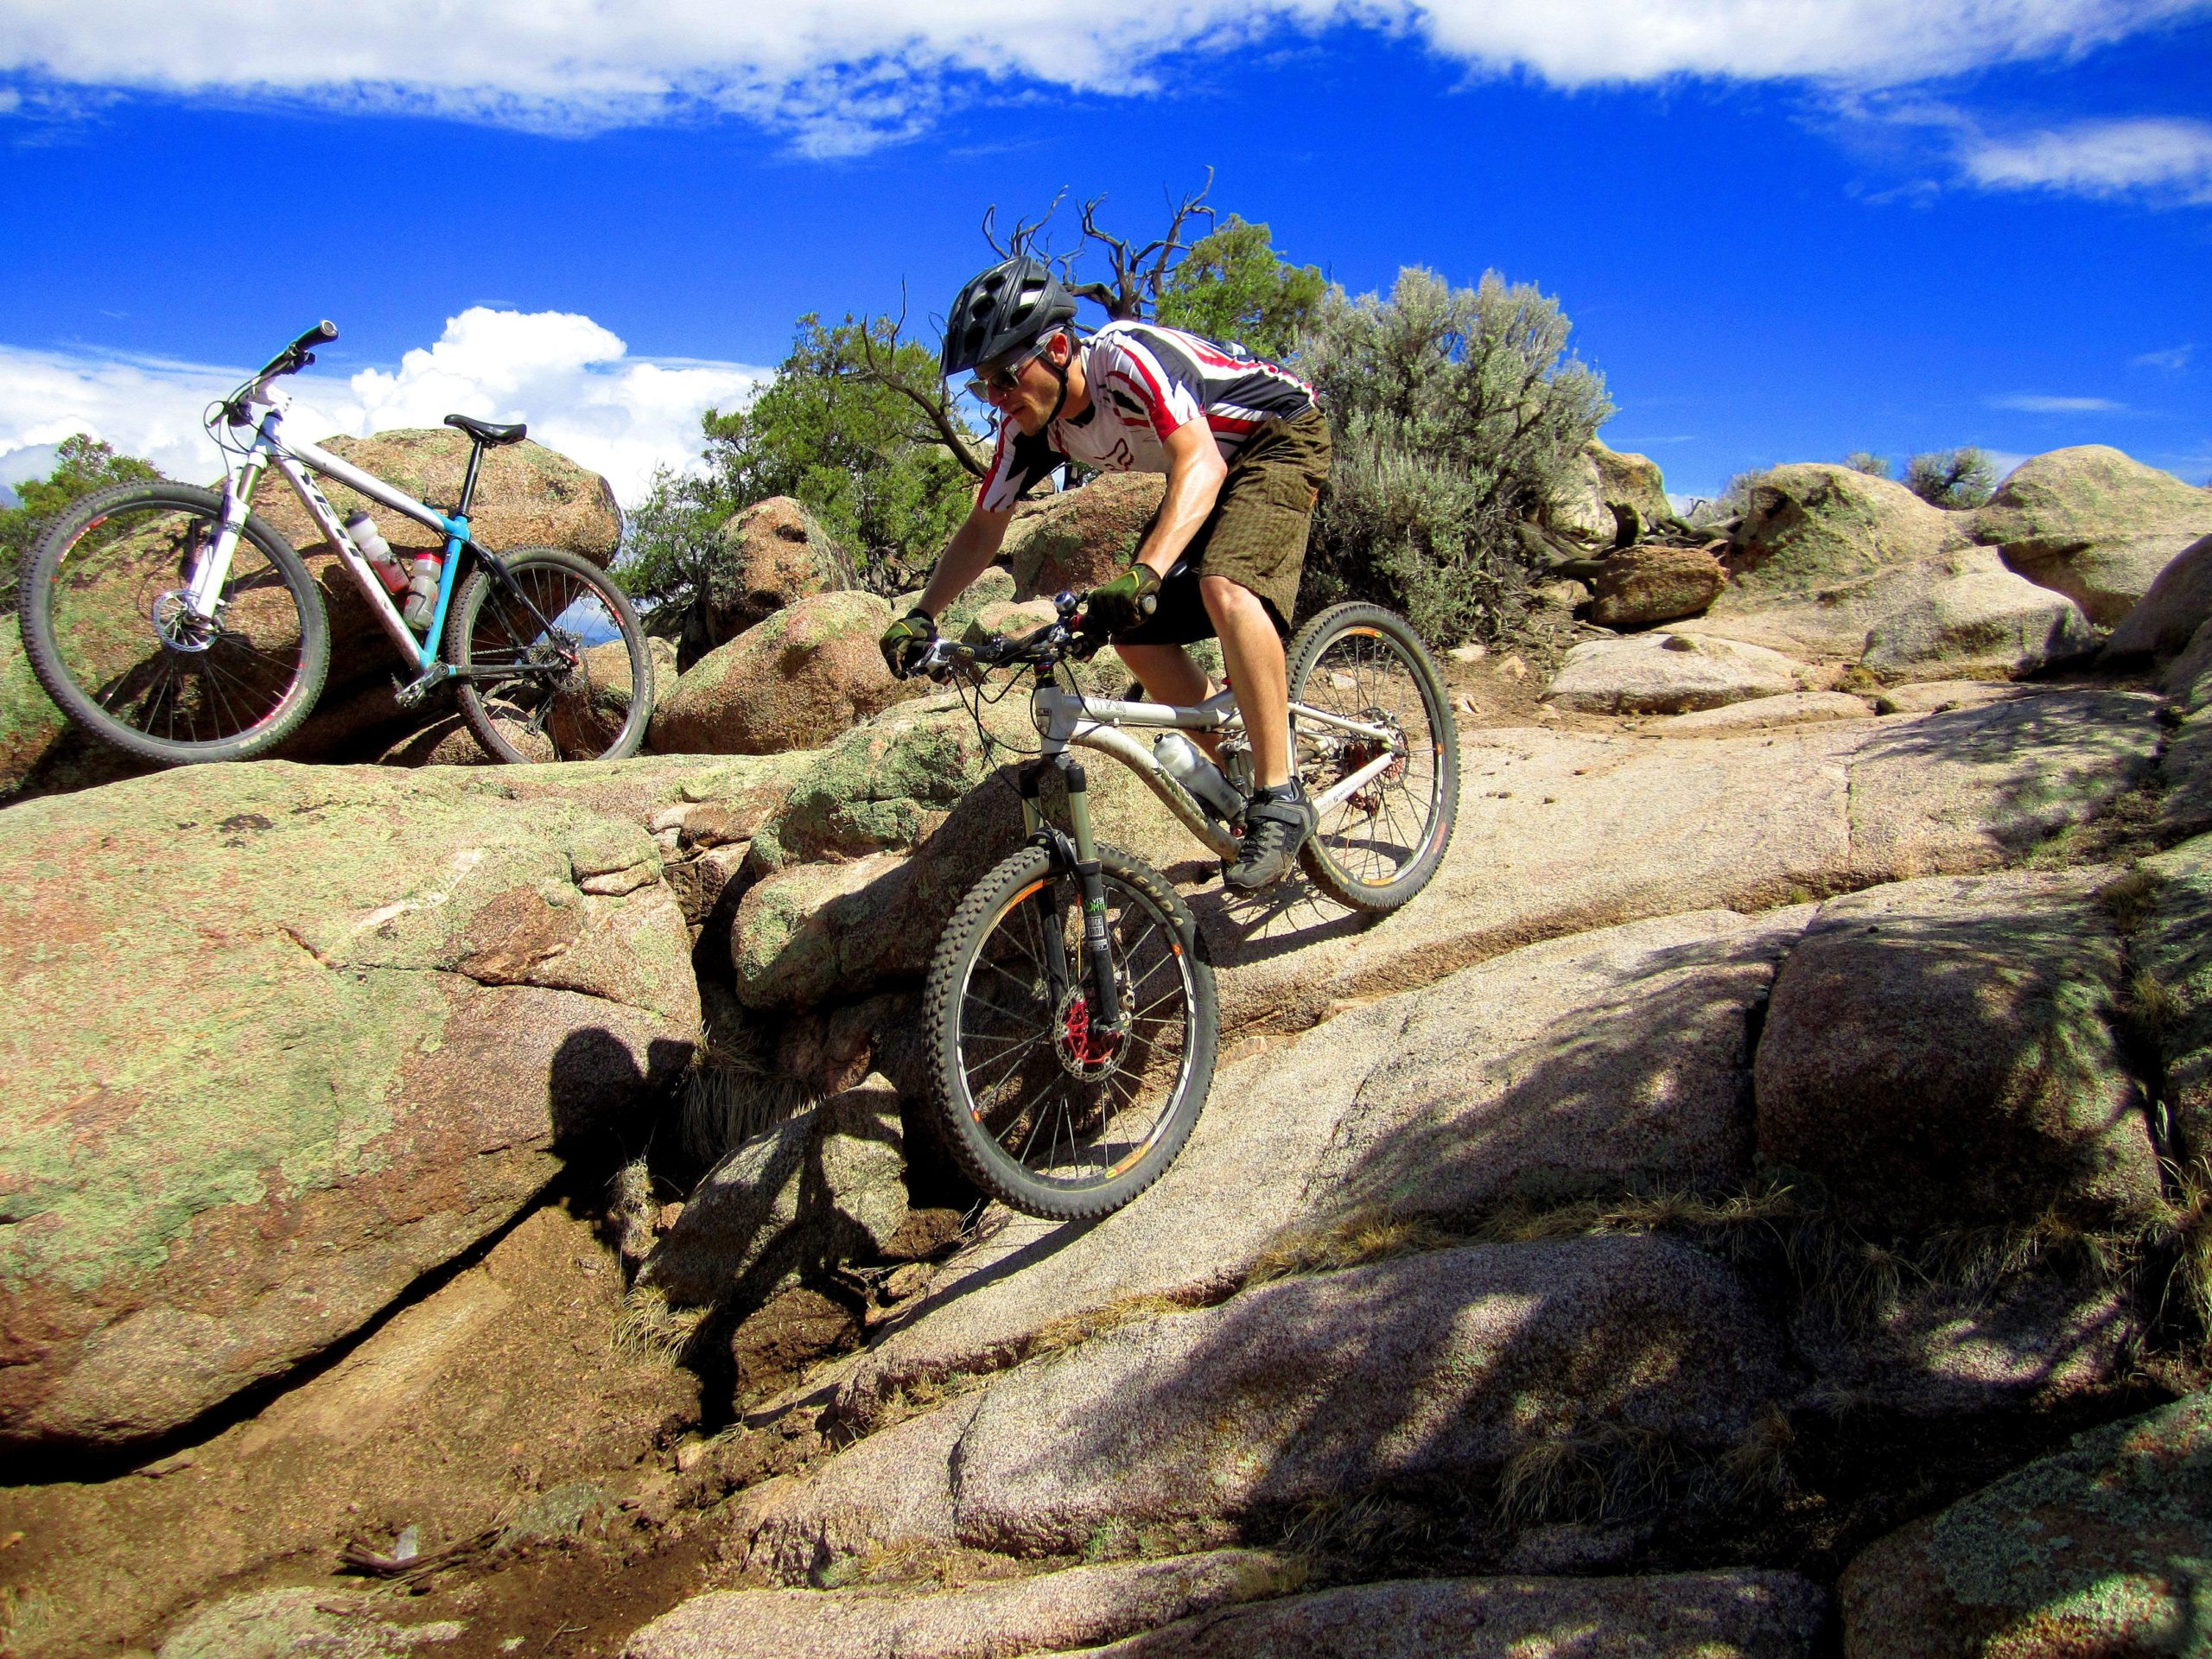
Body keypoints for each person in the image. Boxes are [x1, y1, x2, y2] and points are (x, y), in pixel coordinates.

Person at [880, 256, 1332, 893]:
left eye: (1006, 376)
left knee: (1223, 585)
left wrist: (1146, 571)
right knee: (1133, 633)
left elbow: (1199, 464)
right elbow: (985, 527)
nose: (999, 398)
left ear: (1059, 347)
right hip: (1209, 471)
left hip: (1274, 437)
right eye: (986, 386)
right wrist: (923, 613)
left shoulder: (1124, 359)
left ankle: (1281, 798)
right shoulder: (1029, 428)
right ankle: (1239, 760)